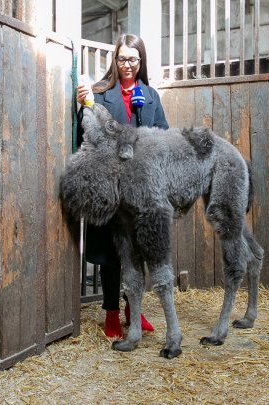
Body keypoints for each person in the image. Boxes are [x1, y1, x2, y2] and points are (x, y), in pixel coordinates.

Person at [76, 34, 169, 338]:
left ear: (140, 61)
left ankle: (135, 311)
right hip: (111, 186)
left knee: (139, 250)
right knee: (112, 253)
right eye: (122, 58)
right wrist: (83, 107)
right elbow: (88, 132)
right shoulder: (101, 93)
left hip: (141, 188)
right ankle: (112, 314)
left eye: (133, 59)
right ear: (114, 60)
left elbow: (164, 136)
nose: (127, 64)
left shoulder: (151, 96)